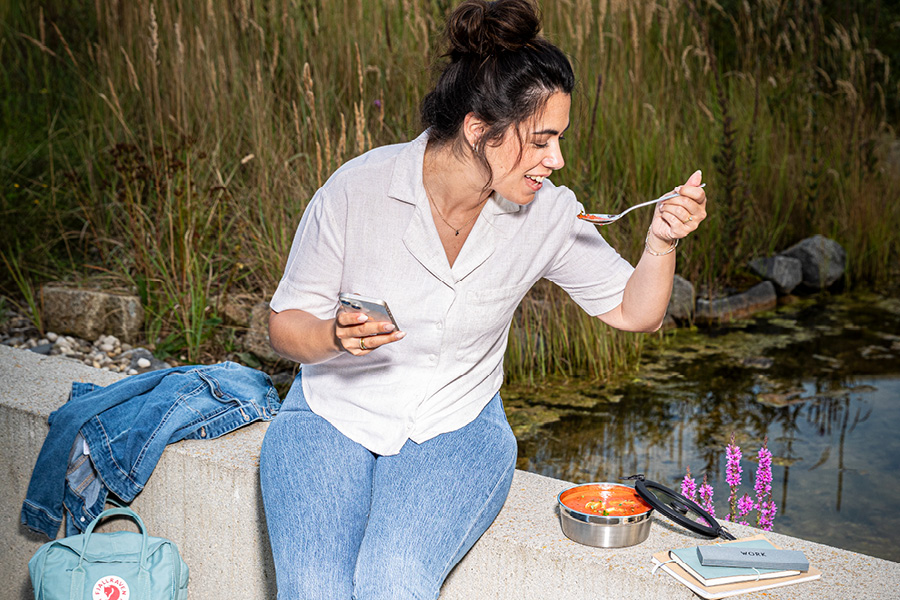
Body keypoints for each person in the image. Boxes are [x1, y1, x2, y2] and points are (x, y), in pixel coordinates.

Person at [260, 0, 708, 598]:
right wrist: (334, 336)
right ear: (479, 130)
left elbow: (635, 312)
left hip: (458, 424)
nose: (557, 160)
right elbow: (284, 325)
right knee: (314, 588)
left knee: (392, 582)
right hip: (331, 415)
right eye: (542, 141)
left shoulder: (548, 212)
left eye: (560, 141)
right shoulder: (357, 188)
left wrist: (661, 241)